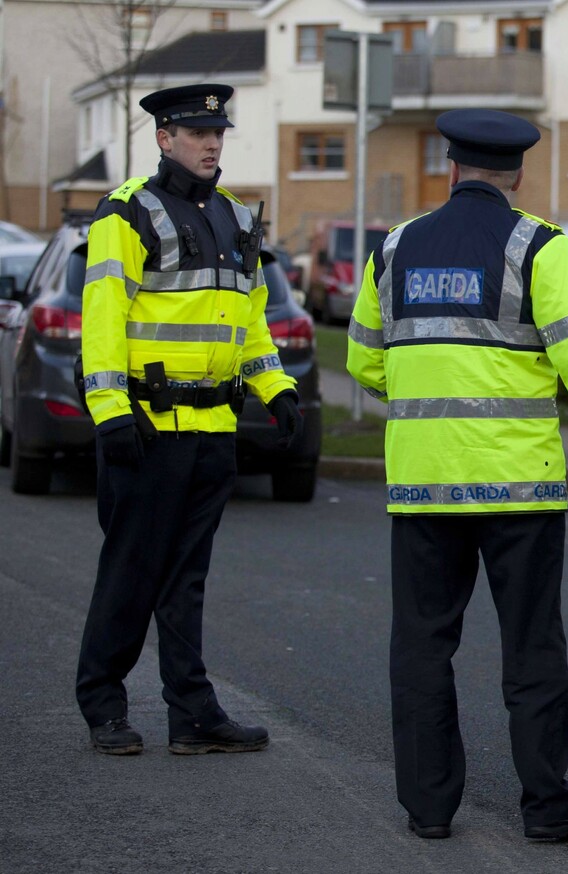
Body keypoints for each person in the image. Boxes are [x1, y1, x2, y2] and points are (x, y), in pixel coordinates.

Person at [346, 108, 568, 842]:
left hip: (423, 483)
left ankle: (428, 809)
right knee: (532, 648)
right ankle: (546, 807)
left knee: (422, 646)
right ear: (518, 175)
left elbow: (364, 362)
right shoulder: (539, 247)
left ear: (451, 168)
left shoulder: (395, 247)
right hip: (519, 489)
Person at [76, 83, 302, 756]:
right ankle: (103, 705)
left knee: (186, 580)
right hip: (147, 428)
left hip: (212, 430)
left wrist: (276, 388)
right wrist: (110, 412)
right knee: (130, 573)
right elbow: (103, 317)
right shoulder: (127, 212)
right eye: (197, 134)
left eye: (217, 133)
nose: (210, 144)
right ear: (164, 139)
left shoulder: (236, 217)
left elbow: (249, 320)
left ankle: (192, 714)